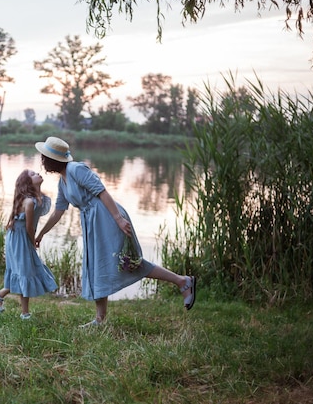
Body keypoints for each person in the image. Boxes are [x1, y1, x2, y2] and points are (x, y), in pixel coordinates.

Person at [33, 136, 196, 327]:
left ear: (52, 159)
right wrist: (42, 233)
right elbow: (59, 211)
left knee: (128, 261)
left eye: (44, 157)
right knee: (97, 265)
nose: (42, 161)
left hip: (107, 217)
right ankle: (100, 319)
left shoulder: (76, 169)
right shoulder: (63, 181)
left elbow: (102, 192)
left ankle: (183, 282)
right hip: (92, 223)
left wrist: (119, 219)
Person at [0, 169, 58, 320]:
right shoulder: (29, 202)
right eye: (33, 175)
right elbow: (29, 227)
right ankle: (24, 313)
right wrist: (33, 242)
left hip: (22, 237)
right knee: (23, 272)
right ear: (27, 183)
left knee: (23, 271)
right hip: (20, 238)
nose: (38, 174)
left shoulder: (38, 198)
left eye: (36, 173)